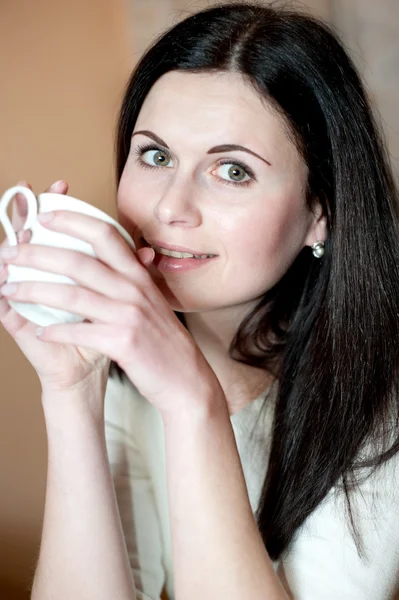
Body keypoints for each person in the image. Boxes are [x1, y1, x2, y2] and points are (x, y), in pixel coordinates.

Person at [1, 2, 399, 598]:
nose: (169, 209)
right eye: (156, 156)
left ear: (321, 213)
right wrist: (72, 392)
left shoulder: (380, 400)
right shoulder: (126, 367)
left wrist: (192, 403)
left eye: (232, 171)